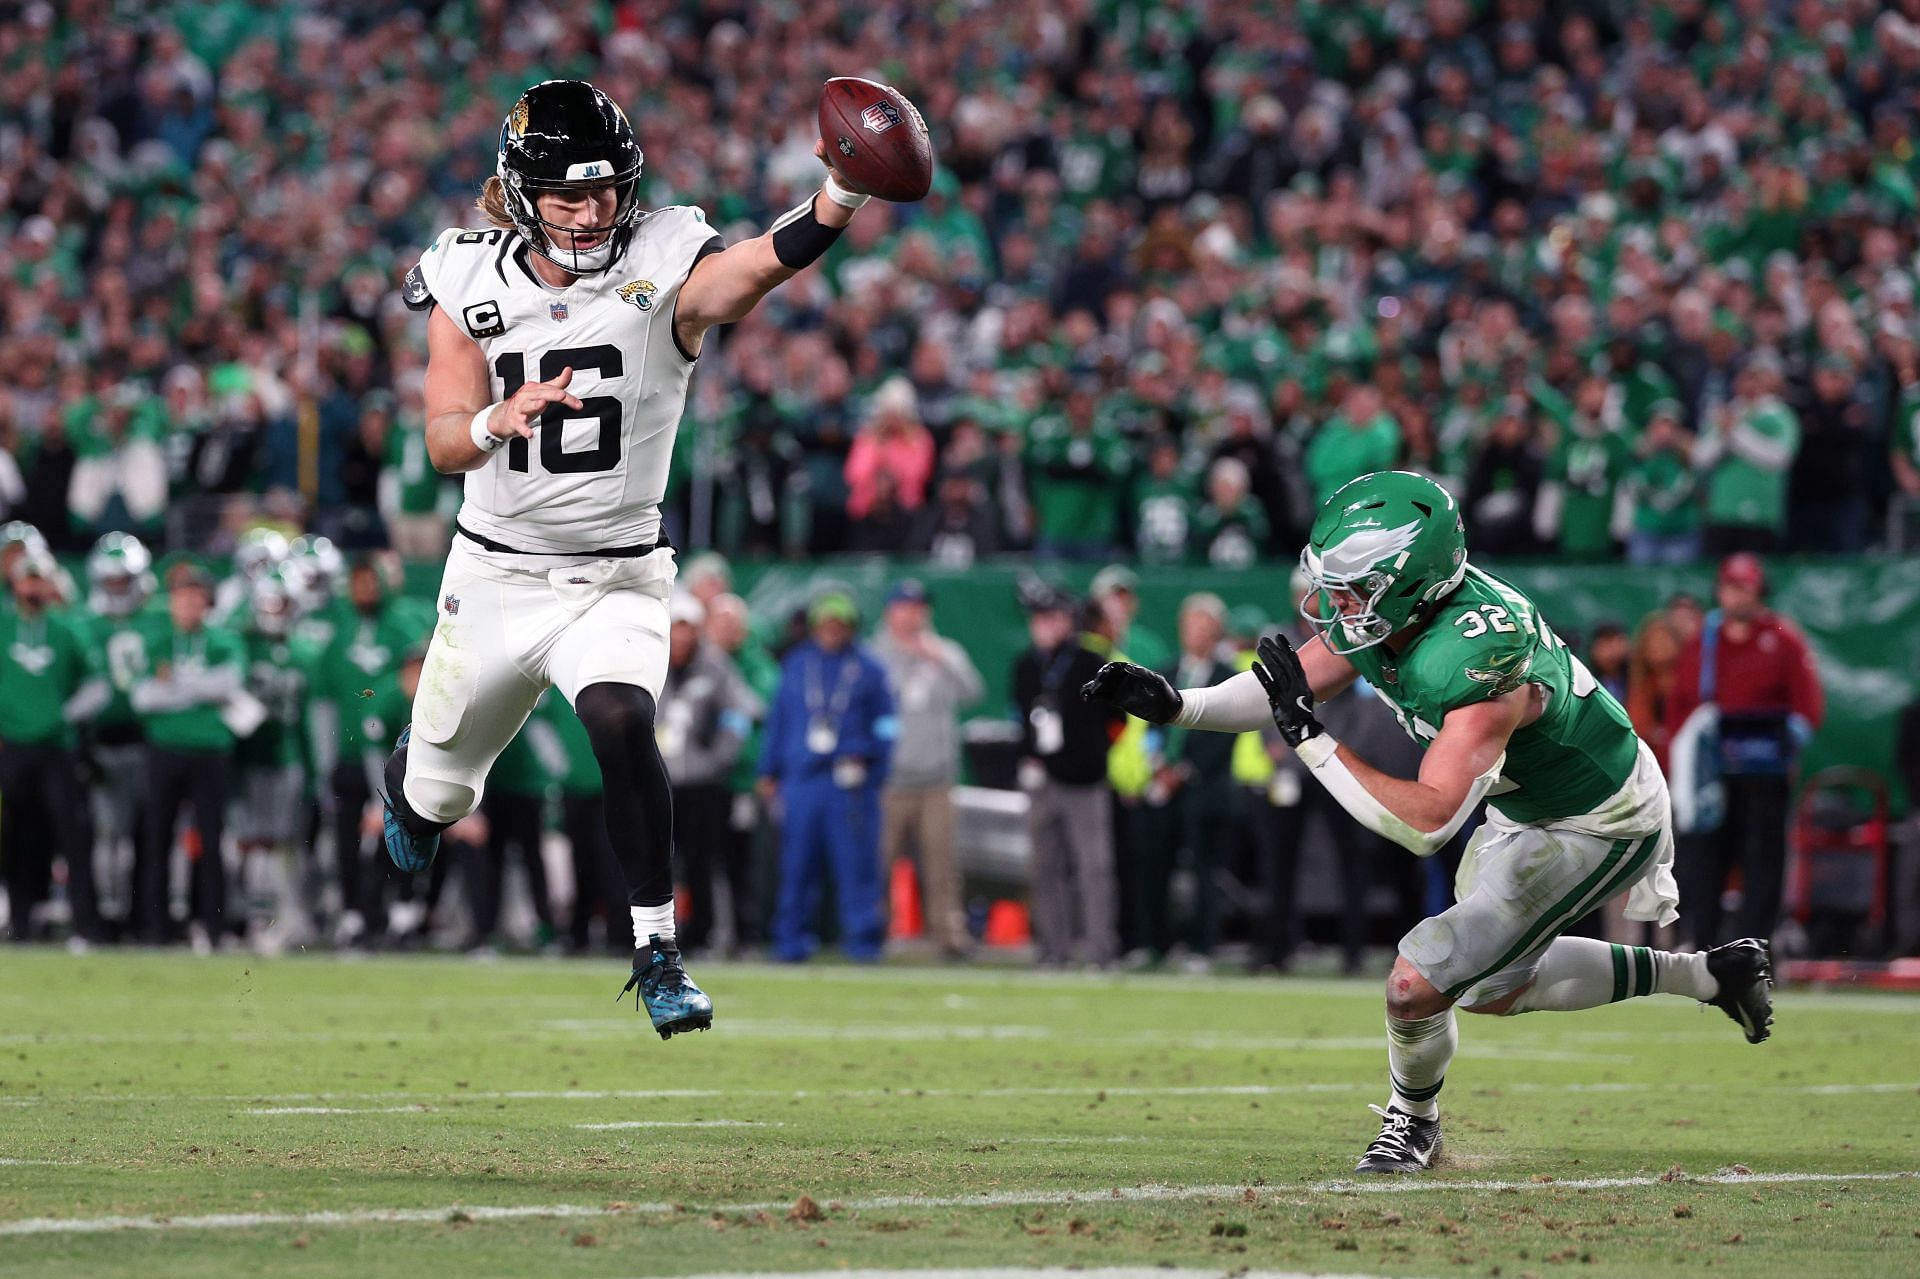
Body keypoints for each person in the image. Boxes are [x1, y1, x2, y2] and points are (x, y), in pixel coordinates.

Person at [380, 79, 890, 1036]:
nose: (593, 211)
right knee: (435, 798)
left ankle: (655, 948)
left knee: (620, 717)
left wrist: (837, 202)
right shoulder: (465, 274)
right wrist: (501, 415)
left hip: (617, 570)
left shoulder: (661, 253)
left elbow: (740, 276)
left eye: (607, 190)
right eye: (569, 197)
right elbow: (445, 439)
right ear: (522, 193)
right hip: (493, 573)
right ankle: (414, 780)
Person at [1084, 470, 1774, 1174]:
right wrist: (1179, 706)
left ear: (1409, 584)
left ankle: (1412, 1124)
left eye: (1351, 587)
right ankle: (1710, 976)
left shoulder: (1480, 664)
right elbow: (1291, 680)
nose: (1332, 602)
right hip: (1528, 801)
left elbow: (1427, 824)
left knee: (1417, 982)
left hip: (1599, 814)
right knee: (1490, 987)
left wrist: (1311, 740)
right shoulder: (1401, 610)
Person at [1664, 553, 1824, 950]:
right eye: (1729, 587)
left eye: (1744, 587)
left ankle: (1755, 949)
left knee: (1763, 861)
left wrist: (1785, 739)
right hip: (1712, 773)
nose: (1736, 596)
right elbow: (1681, 708)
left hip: (1765, 775)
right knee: (1703, 857)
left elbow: (1807, 707)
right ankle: (1700, 945)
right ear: (1719, 591)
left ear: (1758, 591)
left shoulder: (1783, 639)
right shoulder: (1705, 640)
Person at [758, 593, 896, 962]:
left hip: (849, 782)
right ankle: (790, 940)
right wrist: (768, 770)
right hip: (802, 781)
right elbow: (779, 721)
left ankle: (864, 942)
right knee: (797, 865)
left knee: (857, 866)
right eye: (826, 623)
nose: (832, 630)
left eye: (840, 624)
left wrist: (874, 765)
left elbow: (887, 723)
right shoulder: (798, 665)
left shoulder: (869, 668)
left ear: (851, 627)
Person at [132, 566, 245, 952]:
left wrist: (175, 687)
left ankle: (213, 927)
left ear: (207, 602)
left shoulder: (223, 639)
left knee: (212, 843)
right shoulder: (157, 638)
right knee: (157, 839)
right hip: (164, 750)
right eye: (183, 597)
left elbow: (228, 684)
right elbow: (142, 696)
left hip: (209, 751)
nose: (189, 605)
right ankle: (157, 928)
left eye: (197, 597)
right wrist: (199, 690)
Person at [870, 578, 984, 958]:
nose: (913, 614)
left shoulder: (944, 651)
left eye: (919, 607)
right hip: (890, 778)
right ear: (891, 611)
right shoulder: (875, 654)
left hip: (937, 778)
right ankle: (875, 931)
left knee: (942, 864)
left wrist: (940, 657)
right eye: (906, 606)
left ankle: (948, 934)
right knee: (880, 861)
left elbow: (974, 691)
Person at [0, 545, 104, 944]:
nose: (32, 587)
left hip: (58, 748)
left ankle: (85, 927)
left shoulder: (68, 629)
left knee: (73, 837)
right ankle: (21, 924)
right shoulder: (4, 625)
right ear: (15, 581)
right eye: (27, 578)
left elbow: (97, 685)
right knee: (17, 837)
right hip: (12, 747)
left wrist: (64, 716)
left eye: (39, 579)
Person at [1014, 587, 1123, 968]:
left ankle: (1099, 949)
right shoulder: (1026, 666)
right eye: (1039, 619)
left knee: (1093, 869)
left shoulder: (1092, 663)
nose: (1044, 627)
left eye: (1051, 618)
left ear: (1066, 621)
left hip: (1086, 781)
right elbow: (1021, 720)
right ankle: (1052, 948)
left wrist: (1092, 756)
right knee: (1044, 867)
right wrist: (1031, 759)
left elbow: (1117, 721)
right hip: (1042, 780)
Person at [656, 593, 762, 953]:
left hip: (703, 783)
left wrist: (720, 758)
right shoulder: (652, 662)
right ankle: (660, 934)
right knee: (660, 864)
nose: (683, 638)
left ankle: (704, 932)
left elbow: (742, 711)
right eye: (677, 629)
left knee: (703, 862)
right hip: (661, 781)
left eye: (688, 630)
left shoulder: (714, 665)